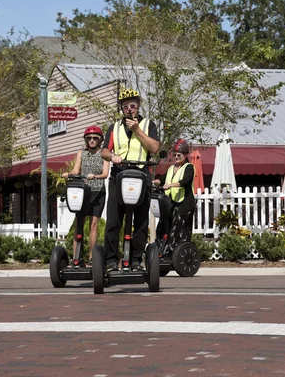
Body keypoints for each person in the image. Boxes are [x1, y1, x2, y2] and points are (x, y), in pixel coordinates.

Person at [101, 88, 160, 271]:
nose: (129, 109)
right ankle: (111, 260)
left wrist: (137, 130)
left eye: (132, 106)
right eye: (125, 106)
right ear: (122, 109)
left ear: (138, 106)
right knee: (113, 221)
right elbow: (104, 151)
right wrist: (112, 157)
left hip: (141, 175)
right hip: (119, 175)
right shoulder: (114, 127)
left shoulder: (148, 124)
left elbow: (155, 147)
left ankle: (136, 259)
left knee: (141, 221)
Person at [62, 126, 110, 262]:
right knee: (79, 223)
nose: (92, 140)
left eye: (95, 138)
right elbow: (76, 170)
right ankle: (76, 257)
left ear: (100, 139)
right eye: (89, 138)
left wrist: (94, 176)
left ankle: (91, 257)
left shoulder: (104, 154)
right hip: (83, 193)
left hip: (98, 192)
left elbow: (105, 174)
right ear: (86, 140)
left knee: (93, 225)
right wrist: (69, 174)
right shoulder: (81, 153)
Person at [153, 139, 196, 250]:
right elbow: (162, 179)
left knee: (178, 228)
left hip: (184, 204)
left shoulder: (189, 167)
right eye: (175, 155)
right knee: (164, 224)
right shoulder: (171, 168)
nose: (176, 157)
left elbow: (186, 181)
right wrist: (152, 182)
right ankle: (161, 249)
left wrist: (171, 185)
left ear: (185, 155)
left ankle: (176, 251)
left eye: (179, 155)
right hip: (171, 203)